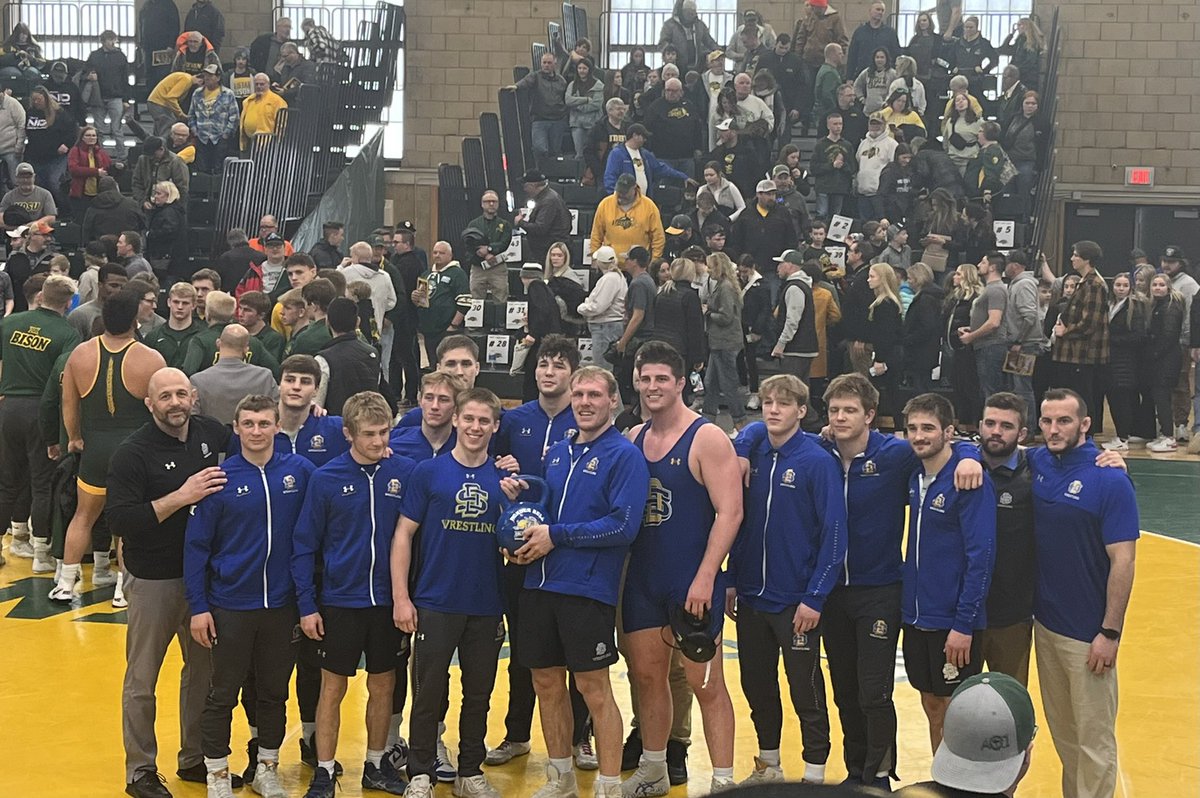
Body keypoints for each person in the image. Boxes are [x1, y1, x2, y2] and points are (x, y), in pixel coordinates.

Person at [619, 342, 741, 795]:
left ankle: (723, 782)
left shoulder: (707, 437)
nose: (652, 387)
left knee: (705, 683)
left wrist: (707, 575)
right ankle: (653, 769)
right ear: (636, 381)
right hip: (643, 579)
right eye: (645, 378)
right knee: (647, 677)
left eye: (661, 379)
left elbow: (730, 513)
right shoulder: (632, 438)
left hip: (692, 580)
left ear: (681, 383)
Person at [106, 367, 233, 797]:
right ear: (150, 403)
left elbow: (256, 446)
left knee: (203, 674)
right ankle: (139, 771)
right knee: (142, 679)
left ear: (193, 396)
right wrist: (183, 494)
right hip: (154, 581)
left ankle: (194, 757)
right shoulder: (132, 453)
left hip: (204, 581)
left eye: (182, 394)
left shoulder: (210, 433)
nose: (175, 403)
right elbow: (120, 519)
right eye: (165, 397)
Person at [182, 394, 313, 798]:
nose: (257, 431)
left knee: (274, 692)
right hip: (230, 606)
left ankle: (267, 767)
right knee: (222, 693)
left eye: (264, 423)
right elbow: (196, 549)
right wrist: (199, 608)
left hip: (281, 605)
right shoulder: (218, 480)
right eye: (249, 424)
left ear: (277, 426)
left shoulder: (301, 472)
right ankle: (218, 774)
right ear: (236, 429)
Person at [390, 387, 518, 798]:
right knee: (428, 692)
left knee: (479, 692)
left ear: (495, 427)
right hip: (434, 601)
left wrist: (512, 523)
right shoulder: (427, 473)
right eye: (470, 419)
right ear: (456, 421)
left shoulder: (503, 483)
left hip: (484, 604)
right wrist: (401, 597)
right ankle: (421, 774)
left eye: (485, 421)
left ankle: (469, 770)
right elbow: (403, 535)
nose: (476, 427)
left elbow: (512, 542)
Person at [292, 391, 416, 798]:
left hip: (387, 603)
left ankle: (376, 763)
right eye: (369, 434)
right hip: (339, 602)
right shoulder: (326, 478)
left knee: (384, 685)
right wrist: (307, 605)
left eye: (384, 432)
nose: (379, 442)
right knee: (333, 687)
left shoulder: (405, 472)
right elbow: (305, 545)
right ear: (348, 434)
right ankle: (324, 770)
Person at [727, 374, 846, 784]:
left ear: (801, 410)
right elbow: (737, 523)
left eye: (783, 403)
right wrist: (731, 579)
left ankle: (814, 775)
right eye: (767, 402)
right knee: (757, 686)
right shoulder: (754, 452)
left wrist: (815, 597)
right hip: (752, 597)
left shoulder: (817, 461)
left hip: (796, 601)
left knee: (806, 692)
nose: (773, 410)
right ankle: (769, 764)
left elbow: (834, 534)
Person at [1031, 388, 1137, 798]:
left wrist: (1110, 633)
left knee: (1094, 743)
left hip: (1089, 635)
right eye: (1047, 421)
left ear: (1085, 424)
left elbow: (1123, 563)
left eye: (1064, 421)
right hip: (1046, 626)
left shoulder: (1109, 479)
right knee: (1066, 738)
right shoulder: (1038, 460)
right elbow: (988, 449)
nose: (1054, 429)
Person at [49, 286, 165, 603]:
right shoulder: (151, 358)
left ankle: (65, 583)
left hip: (95, 448)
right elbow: (162, 408)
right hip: (134, 450)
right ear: (134, 320)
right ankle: (121, 589)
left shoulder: (80, 354)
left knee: (83, 516)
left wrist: (74, 438)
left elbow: (68, 406)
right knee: (127, 524)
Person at [901, 392, 996, 753]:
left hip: (953, 621)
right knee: (932, 703)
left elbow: (981, 556)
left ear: (949, 432)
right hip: (916, 617)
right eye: (912, 428)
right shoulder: (915, 477)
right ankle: (942, 780)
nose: (919, 436)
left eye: (928, 428)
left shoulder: (968, 481)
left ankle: (961, 785)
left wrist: (963, 624)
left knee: (957, 709)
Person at [0, 275, 79, 574]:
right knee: (42, 482)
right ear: (69, 303)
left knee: (6, 480)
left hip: (8, 408)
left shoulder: (9, 323)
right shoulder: (67, 333)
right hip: (41, 410)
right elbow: (64, 380)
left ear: (41, 296)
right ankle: (41, 553)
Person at [1051, 241, 1109, 418]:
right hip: (1070, 353)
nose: (1072, 258)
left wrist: (1065, 331)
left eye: (1076, 255)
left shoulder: (1094, 285)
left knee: (1082, 397)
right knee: (1071, 397)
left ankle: (1085, 434)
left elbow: (1090, 322)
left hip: (1082, 353)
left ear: (1087, 259)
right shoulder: (1083, 283)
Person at [188, 324, 278, 424]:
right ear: (246, 349)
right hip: (256, 437)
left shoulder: (198, 381)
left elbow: (193, 420)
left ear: (218, 343)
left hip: (214, 439)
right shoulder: (264, 377)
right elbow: (278, 414)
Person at [313, 298, 382, 415]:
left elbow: (317, 407)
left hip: (336, 427)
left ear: (327, 321)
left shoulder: (323, 360)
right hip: (367, 424)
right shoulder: (373, 353)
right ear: (358, 322)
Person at [701, 253, 745, 434]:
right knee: (710, 382)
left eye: (710, 266)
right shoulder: (723, 285)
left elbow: (726, 317)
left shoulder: (725, 288)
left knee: (728, 384)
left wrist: (708, 313)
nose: (707, 270)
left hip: (725, 342)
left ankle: (739, 422)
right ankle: (706, 421)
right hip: (718, 342)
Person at [1145, 274, 1186, 453]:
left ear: (1168, 287)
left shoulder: (1171, 306)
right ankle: (1164, 433)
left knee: (1162, 396)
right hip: (1160, 358)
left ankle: (1169, 437)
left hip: (1167, 358)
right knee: (1159, 396)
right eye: (1154, 284)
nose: (1157, 288)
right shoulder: (1157, 305)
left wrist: (1153, 353)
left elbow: (1169, 335)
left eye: (1161, 285)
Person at [413, 240, 468, 366]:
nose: (437, 255)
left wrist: (453, 325)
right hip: (429, 329)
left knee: (447, 363)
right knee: (433, 364)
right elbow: (421, 301)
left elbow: (465, 302)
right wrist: (414, 297)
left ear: (450, 255)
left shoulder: (457, 274)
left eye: (442, 253)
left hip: (447, 329)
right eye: (435, 252)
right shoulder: (426, 274)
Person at [23, 87, 77, 214]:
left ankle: (65, 211)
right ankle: (43, 212)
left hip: (56, 157)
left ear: (46, 98)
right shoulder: (30, 113)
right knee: (38, 186)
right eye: (34, 99)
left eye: (39, 99)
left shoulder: (60, 113)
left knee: (54, 183)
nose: (36, 102)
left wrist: (66, 145)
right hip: (36, 156)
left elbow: (72, 132)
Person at [591, 173, 666, 261]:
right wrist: (594, 258)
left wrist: (654, 262)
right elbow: (596, 235)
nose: (621, 195)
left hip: (638, 266)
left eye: (625, 192)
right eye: (620, 191)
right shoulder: (605, 205)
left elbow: (658, 238)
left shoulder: (649, 206)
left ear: (634, 188)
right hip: (610, 264)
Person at [769, 250, 818, 385]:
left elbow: (792, 320)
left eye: (780, 264)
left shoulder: (794, 288)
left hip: (796, 349)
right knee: (800, 393)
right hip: (804, 347)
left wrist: (781, 344)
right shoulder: (802, 285)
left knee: (791, 391)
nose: (777, 268)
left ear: (790, 265)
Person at [462, 190, 513, 303]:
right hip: (478, 267)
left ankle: (499, 321)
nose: (491, 204)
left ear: (498, 204)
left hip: (498, 267)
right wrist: (484, 255)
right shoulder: (473, 224)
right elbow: (469, 244)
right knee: (475, 300)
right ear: (482, 204)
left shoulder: (505, 224)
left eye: (494, 201)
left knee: (501, 299)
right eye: (488, 201)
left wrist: (489, 249)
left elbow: (505, 243)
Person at [517, 52, 569, 159]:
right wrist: (515, 86)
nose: (546, 65)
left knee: (555, 151)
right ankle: (540, 170)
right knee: (539, 148)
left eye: (549, 63)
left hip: (558, 120)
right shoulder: (535, 77)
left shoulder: (562, 81)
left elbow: (566, 98)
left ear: (554, 64)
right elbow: (525, 82)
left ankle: (551, 174)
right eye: (544, 62)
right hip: (539, 120)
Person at [514, 170, 571, 267]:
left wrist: (520, 222)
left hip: (548, 251)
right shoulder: (549, 196)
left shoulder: (548, 201)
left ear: (532, 186)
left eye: (525, 186)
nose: (524, 189)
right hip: (549, 249)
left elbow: (540, 228)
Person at [144, 281, 203, 368]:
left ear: (194, 305)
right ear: (169, 302)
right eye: (176, 302)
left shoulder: (202, 336)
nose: (180, 307)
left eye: (185, 303)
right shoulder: (153, 337)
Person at [811, 112, 856, 219]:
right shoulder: (820, 145)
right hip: (823, 187)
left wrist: (843, 165)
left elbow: (853, 168)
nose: (838, 127)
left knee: (836, 217)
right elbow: (814, 168)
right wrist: (832, 165)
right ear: (828, 126)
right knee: (822, 214)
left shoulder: (847, 145)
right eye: (835, 124)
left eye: (840, 124)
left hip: (840, 187)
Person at [145, 180, 190, 281]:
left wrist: (150, 234)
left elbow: (168, 231)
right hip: (171, 258)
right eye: (155, 193)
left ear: (168, 195)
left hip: (166, 259)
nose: (155, 196)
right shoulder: (174, 210)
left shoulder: (168, 212)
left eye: (159, 193)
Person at [66, 125, 113, 221]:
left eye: (93, 135)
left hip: (98, 193)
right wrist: (95, 172)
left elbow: (108, 168)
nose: (91, 138)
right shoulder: (75, 151)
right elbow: (73, 169)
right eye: (88, 135)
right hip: (80, 194)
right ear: (82, 137)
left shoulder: (101, 152)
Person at [846, 1, 900, 78]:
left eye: (882, 10)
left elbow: (896, 54)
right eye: (878, 9)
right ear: (870, 11)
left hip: (885, 76)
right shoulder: (860, 32)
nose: (880, 12)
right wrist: (849, 77)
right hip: (863, 75)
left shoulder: (890, 33)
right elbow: (852, 56)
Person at [565, 58, 604, 161]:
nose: (581, 70)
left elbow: (596, 104)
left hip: (593, 123)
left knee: (592, 152)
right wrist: (585, 99)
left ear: (589, 70)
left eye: (584, 68)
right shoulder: (572, 85)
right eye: (579, 68)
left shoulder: (598, 85)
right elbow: (568, 100)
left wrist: (577, 105)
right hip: (576, 123)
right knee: (579, 153)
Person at [239, 72, 286, 152]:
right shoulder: (248, 101)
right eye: (256, 84)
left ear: (268, 84)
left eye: (262, 84)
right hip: (248, 142)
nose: (259, 87)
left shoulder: (278, 101)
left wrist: (277, 141)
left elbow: (281, 124)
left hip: (267, 143)